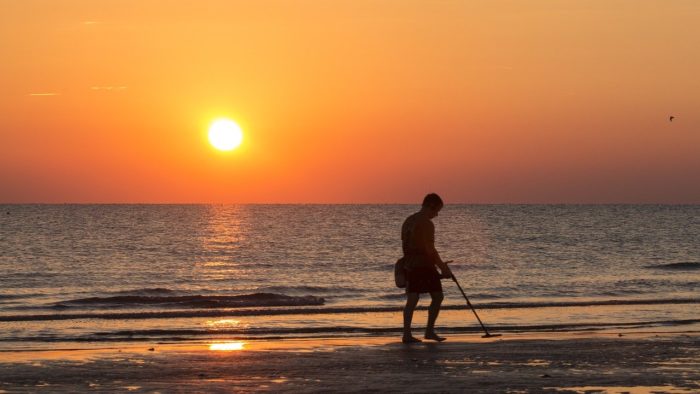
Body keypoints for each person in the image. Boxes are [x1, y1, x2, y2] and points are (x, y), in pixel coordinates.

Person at [401, 193, 452, 343]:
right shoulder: (427, 224)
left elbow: (405, 245)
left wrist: (407, 263)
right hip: (424, 264)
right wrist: (443, 268)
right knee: (437, 296)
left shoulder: (408, 220)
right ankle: (429, 331)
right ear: (430, 206)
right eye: (436, 211)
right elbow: (430, 249)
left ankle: (406, 334)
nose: (436, 215)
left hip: (410, 264)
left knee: (412, 299)